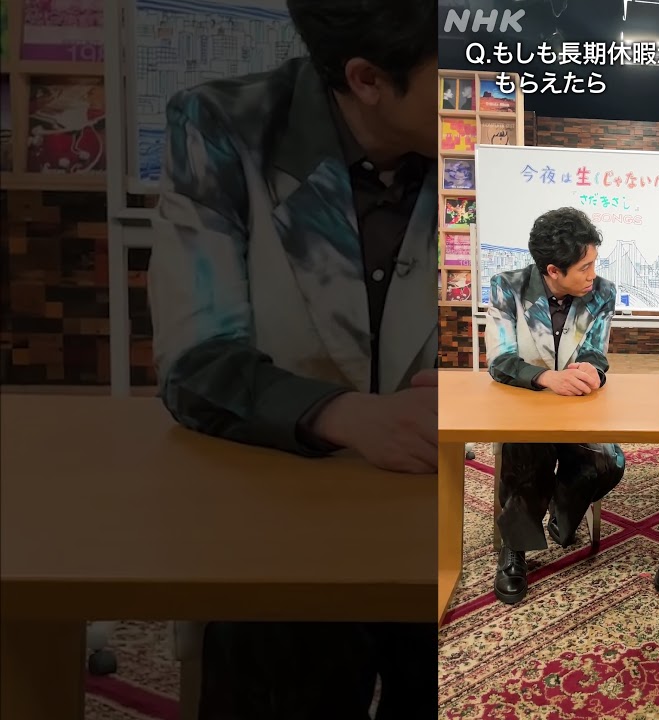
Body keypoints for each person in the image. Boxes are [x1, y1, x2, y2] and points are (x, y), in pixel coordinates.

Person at [146, 0, 437, 717]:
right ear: (368, 79)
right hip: (280, 503)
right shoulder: (228, 126)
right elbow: (196, 364)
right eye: (466, 72)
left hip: (441, 504)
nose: (501, 87)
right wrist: (347, 415)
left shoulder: (494, 138)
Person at [485, 207, 626, 605]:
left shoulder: (602, 292)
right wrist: (547, 378)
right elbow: (500, 360)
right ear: (553, 270)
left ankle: (560, 517)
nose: (593, 274)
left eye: (594, 263)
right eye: (584, 267)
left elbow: (596, 352)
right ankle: (515, 547)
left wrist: (594, 372)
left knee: (608, 462)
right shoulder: (508, 287)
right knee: (529, 454)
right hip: (526, 404)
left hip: (579, 408)